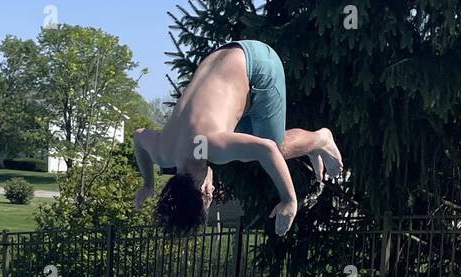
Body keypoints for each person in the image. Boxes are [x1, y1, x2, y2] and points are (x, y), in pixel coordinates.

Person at [133, 40, 343, 236]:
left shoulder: (212, 146)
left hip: (258, 65)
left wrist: (288, 199)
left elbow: (267, 149)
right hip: (222, 56)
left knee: (276, 149)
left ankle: (320, 139)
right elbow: (139, 136)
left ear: (201, 190)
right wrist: (148, 185)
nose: (213, 193)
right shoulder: (164, 153)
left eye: (208, 200)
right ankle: (310, 145)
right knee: (250, 145)